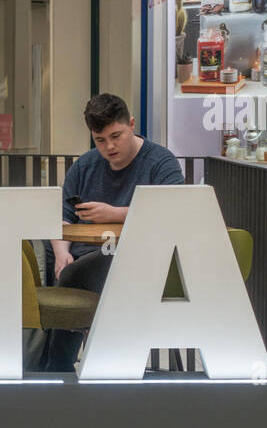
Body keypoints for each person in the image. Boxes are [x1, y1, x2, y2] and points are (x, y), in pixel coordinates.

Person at [42, 93, 184, 372]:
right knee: (68, 269)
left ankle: (56, 370)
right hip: (83, 260)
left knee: (84, 274)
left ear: (131, 124)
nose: (109, 146)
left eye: (116, 136)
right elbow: (59, 218)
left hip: (140, 261)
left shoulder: (160, 162)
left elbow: (177, 211)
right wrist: (61, 253)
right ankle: (67, 367)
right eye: (100, 139)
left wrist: (117, 213)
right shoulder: (85, 166)